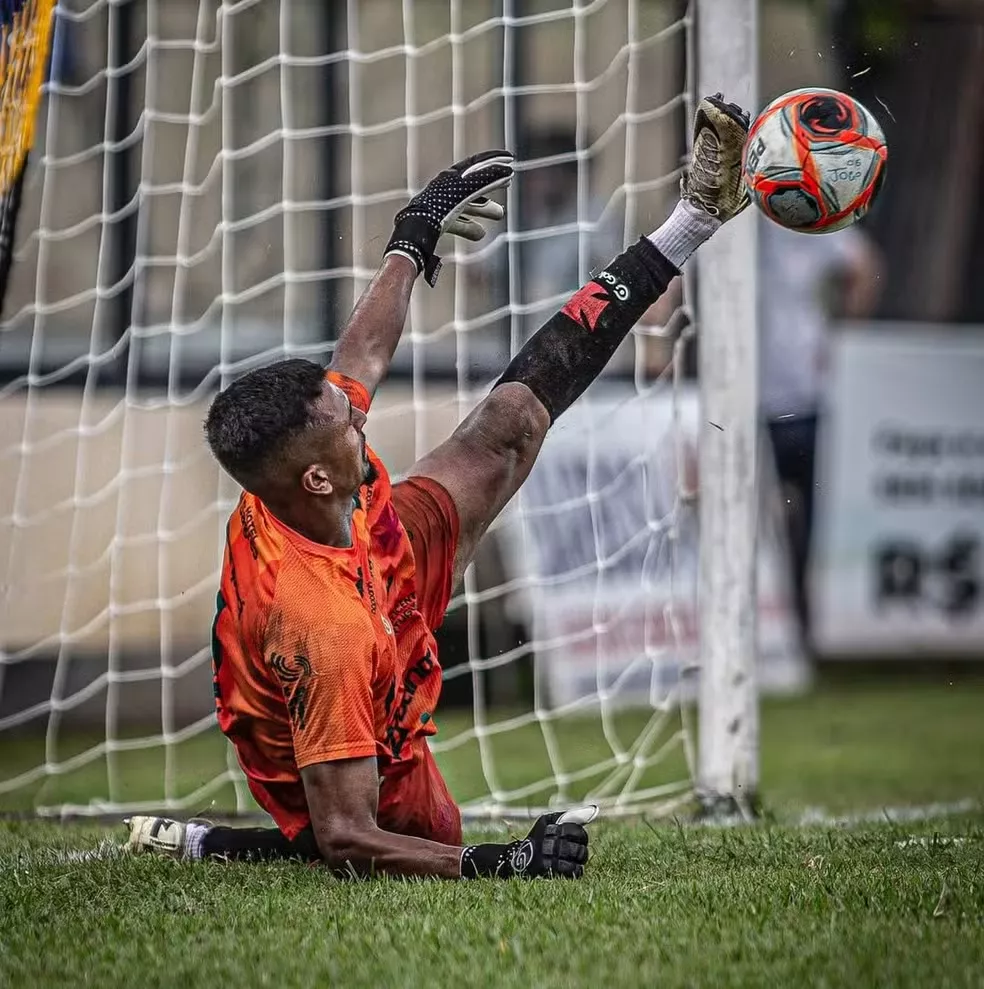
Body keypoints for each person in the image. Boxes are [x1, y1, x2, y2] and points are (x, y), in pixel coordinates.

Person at [124, 94, 752, 880]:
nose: (362, 419)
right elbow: (352, 834)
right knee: (413, 835)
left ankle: (694, 217)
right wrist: (500, 860)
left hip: (371, 556)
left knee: (512, 417)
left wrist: (411, 236)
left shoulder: (311, 468)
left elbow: (362, 354)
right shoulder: (324, 628)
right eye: (349, 427)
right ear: (318, 474)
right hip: (349, 683)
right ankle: (231, 842)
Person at [758, 218, 882, 638]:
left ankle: (799, 621)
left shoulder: (808, 211)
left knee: (804, 515)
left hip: (802, 396)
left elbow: (864, 266)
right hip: (743, 399)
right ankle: (772, 619)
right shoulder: (724, 205)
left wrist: (844, 335)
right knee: (763, 516)